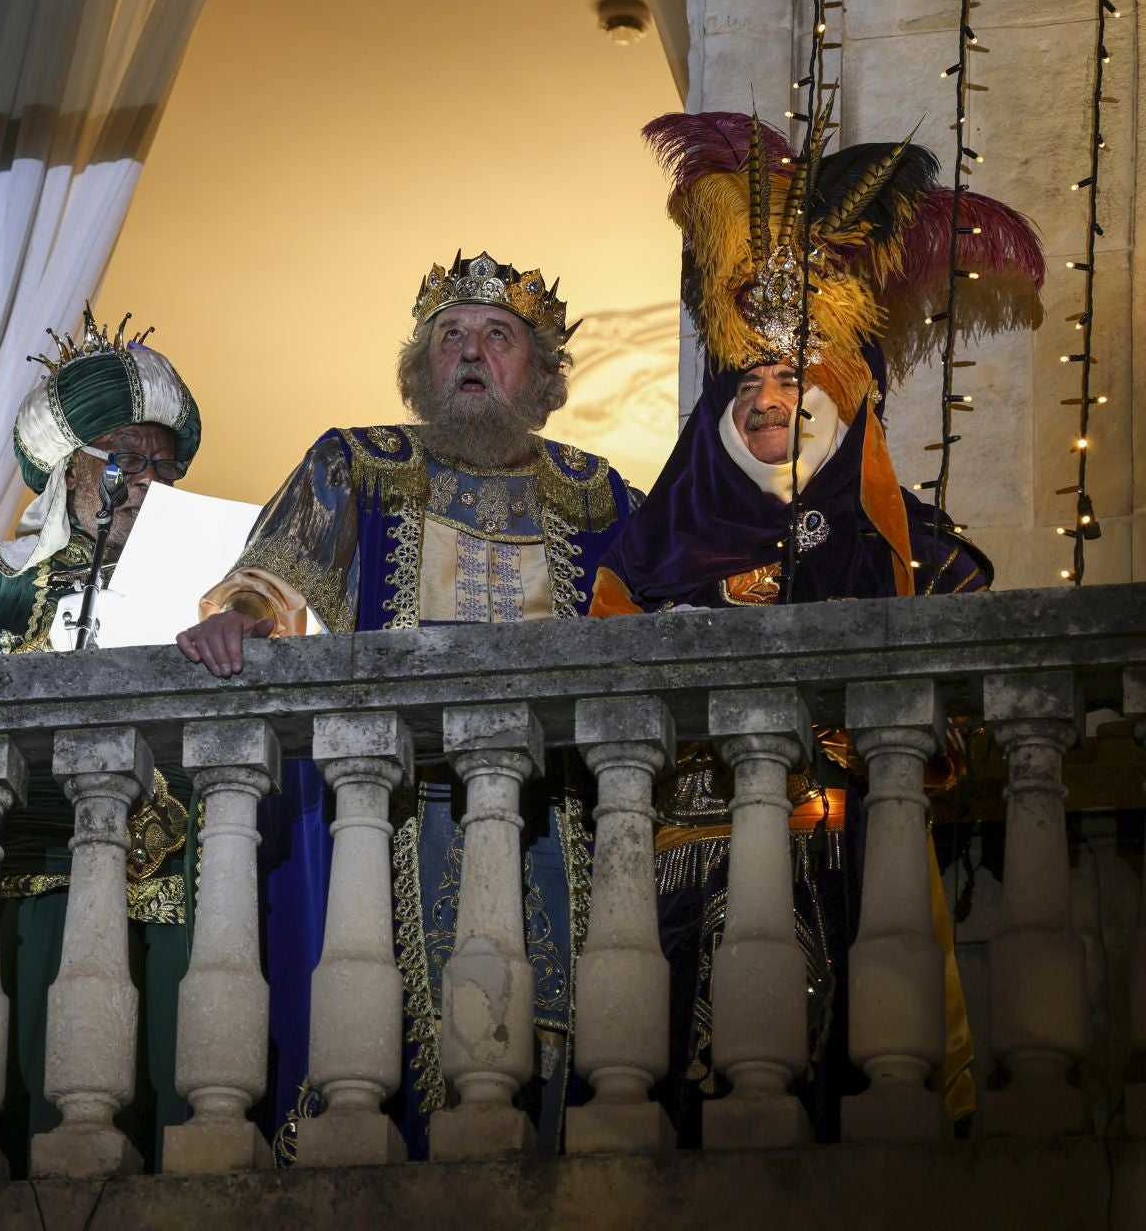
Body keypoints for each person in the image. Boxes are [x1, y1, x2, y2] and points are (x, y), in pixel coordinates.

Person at [590, 111, 1045, 1144]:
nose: (767, 398)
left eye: (793, 379)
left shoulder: (928, 559)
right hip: (674, 869)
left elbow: (967, 728)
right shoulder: (643, 550)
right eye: (746, 380)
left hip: (846, 860)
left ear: (840, 402)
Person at [177, 252, 643, 1158]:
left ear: (541, 375)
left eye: (497, 337)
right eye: (450, 337)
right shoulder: (360, 461)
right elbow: (276, 575)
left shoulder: (600, 494)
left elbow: (669, 609)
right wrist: (236, 619)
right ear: (420, 368)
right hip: (389, 814)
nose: (470, 352)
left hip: (558, 818)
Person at [0, 308, 202, 1174]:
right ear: (67, 473)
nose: (144, 481)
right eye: (122, 460)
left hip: (175, 877)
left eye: (161, 465)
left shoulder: (216, 591)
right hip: (24, 878)